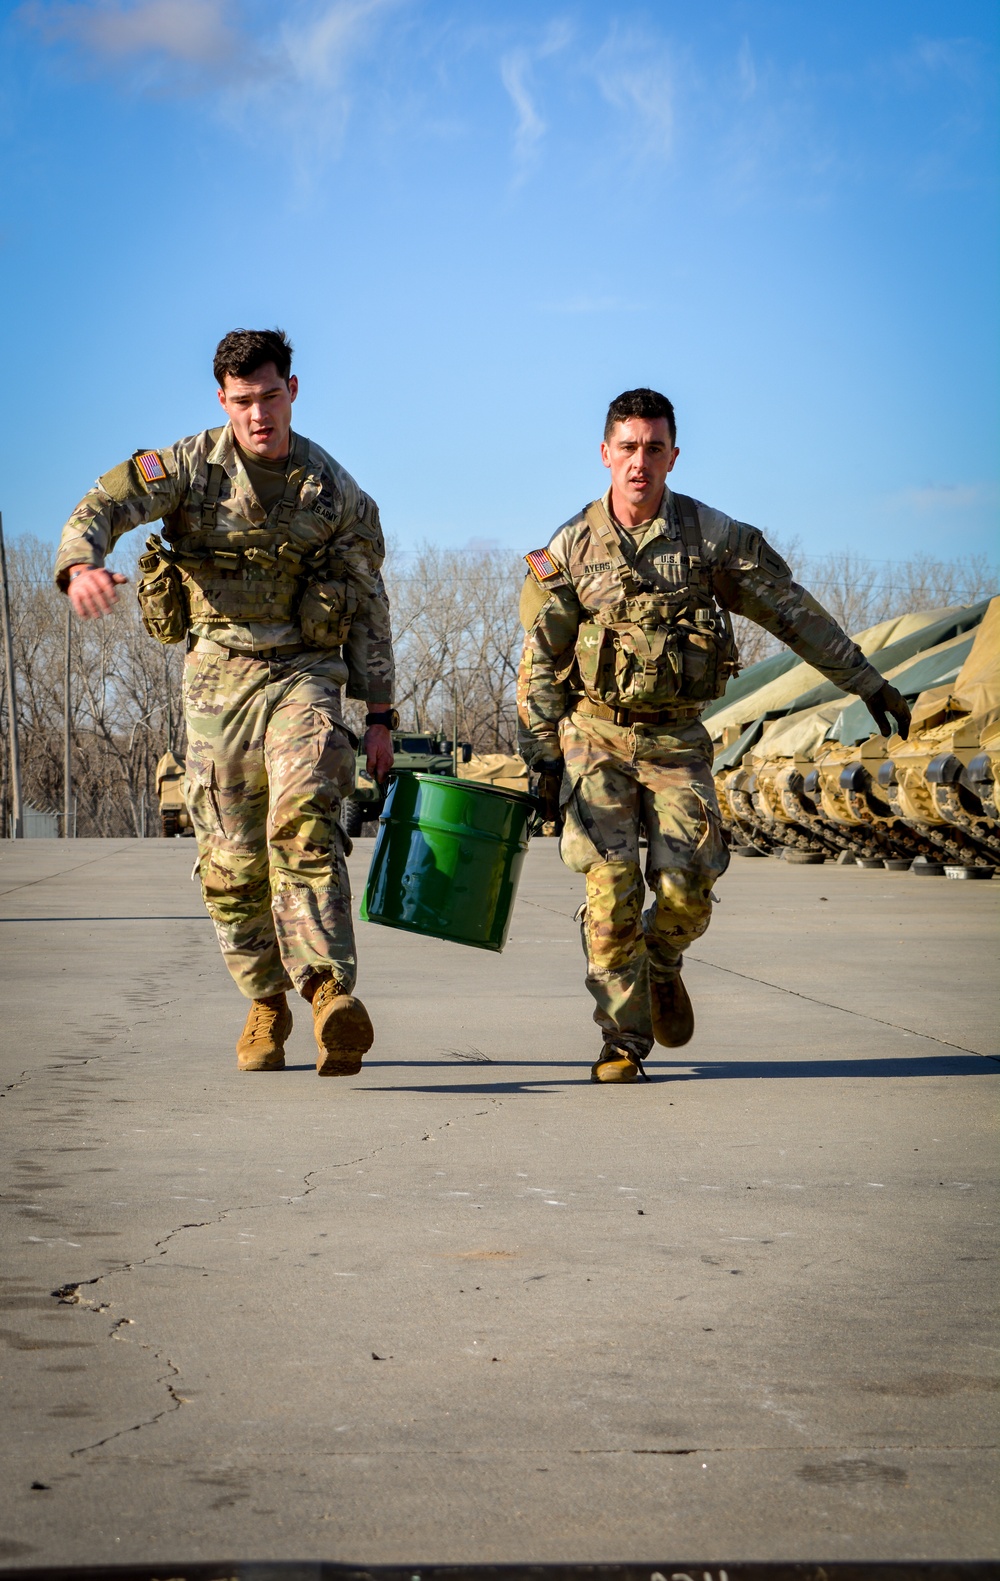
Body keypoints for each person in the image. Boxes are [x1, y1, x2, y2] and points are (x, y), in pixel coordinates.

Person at [517, 387, 911, 1085]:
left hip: (676, 741)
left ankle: (663, 964)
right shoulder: (570, 548)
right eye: (628, 448)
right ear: (605, 454)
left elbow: (790, 611)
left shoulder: (709, 539)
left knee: (688, 888)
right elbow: (539, 659)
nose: (640, 463)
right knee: (609, 888)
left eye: (654, 448)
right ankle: (621, 1040)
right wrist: (543, 754)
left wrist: (867, 681)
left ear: (673, 456)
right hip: (596, 737)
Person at [55, 328, 398, 1077]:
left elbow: (370, 605)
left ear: (293, 392)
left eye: (270, 396)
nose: (258, 414)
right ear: (223, 400)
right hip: (218, 676)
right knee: (231, 858)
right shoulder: (184, 466)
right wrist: (81, 562)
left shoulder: (334, 491)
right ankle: (266, 998)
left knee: (305, 812)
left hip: (304, 671)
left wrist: (378, 716)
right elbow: (102, 503)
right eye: (242, 401)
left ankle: (328, 991)